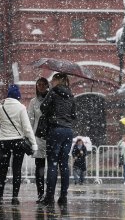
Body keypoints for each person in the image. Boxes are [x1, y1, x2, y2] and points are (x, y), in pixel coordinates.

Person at [0, 84, 38, 205]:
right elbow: (27, 128)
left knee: (3, 169)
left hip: (4, 141)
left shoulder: (0, 107)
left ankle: (0, 197)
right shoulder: (21, 108)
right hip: (18, 141)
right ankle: (14, 197)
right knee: (16, 169)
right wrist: (34, 144)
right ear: (18, 96)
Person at [39, 73, 76, 205]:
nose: (51, 82)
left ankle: (49, 197)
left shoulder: (53, 92)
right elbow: (74, 114)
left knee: (53, 163)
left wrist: (52, 112)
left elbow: (43, 108)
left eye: (53, 79)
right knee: (64, 164)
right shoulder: (71, 94)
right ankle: (63, 196)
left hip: (55, 130)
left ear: (58, 80)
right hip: (68, 131)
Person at [27, 77, 49, 202]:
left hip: (50, 137)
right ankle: (40, 194)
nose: (40, 86)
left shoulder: (52, 100)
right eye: (38, 84)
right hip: (38, 139)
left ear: (47, 86)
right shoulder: (33, 102)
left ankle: (49, 193)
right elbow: (30, 120)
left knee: (51, 167)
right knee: (39, 167)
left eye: (43, 84)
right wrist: (30, 137)